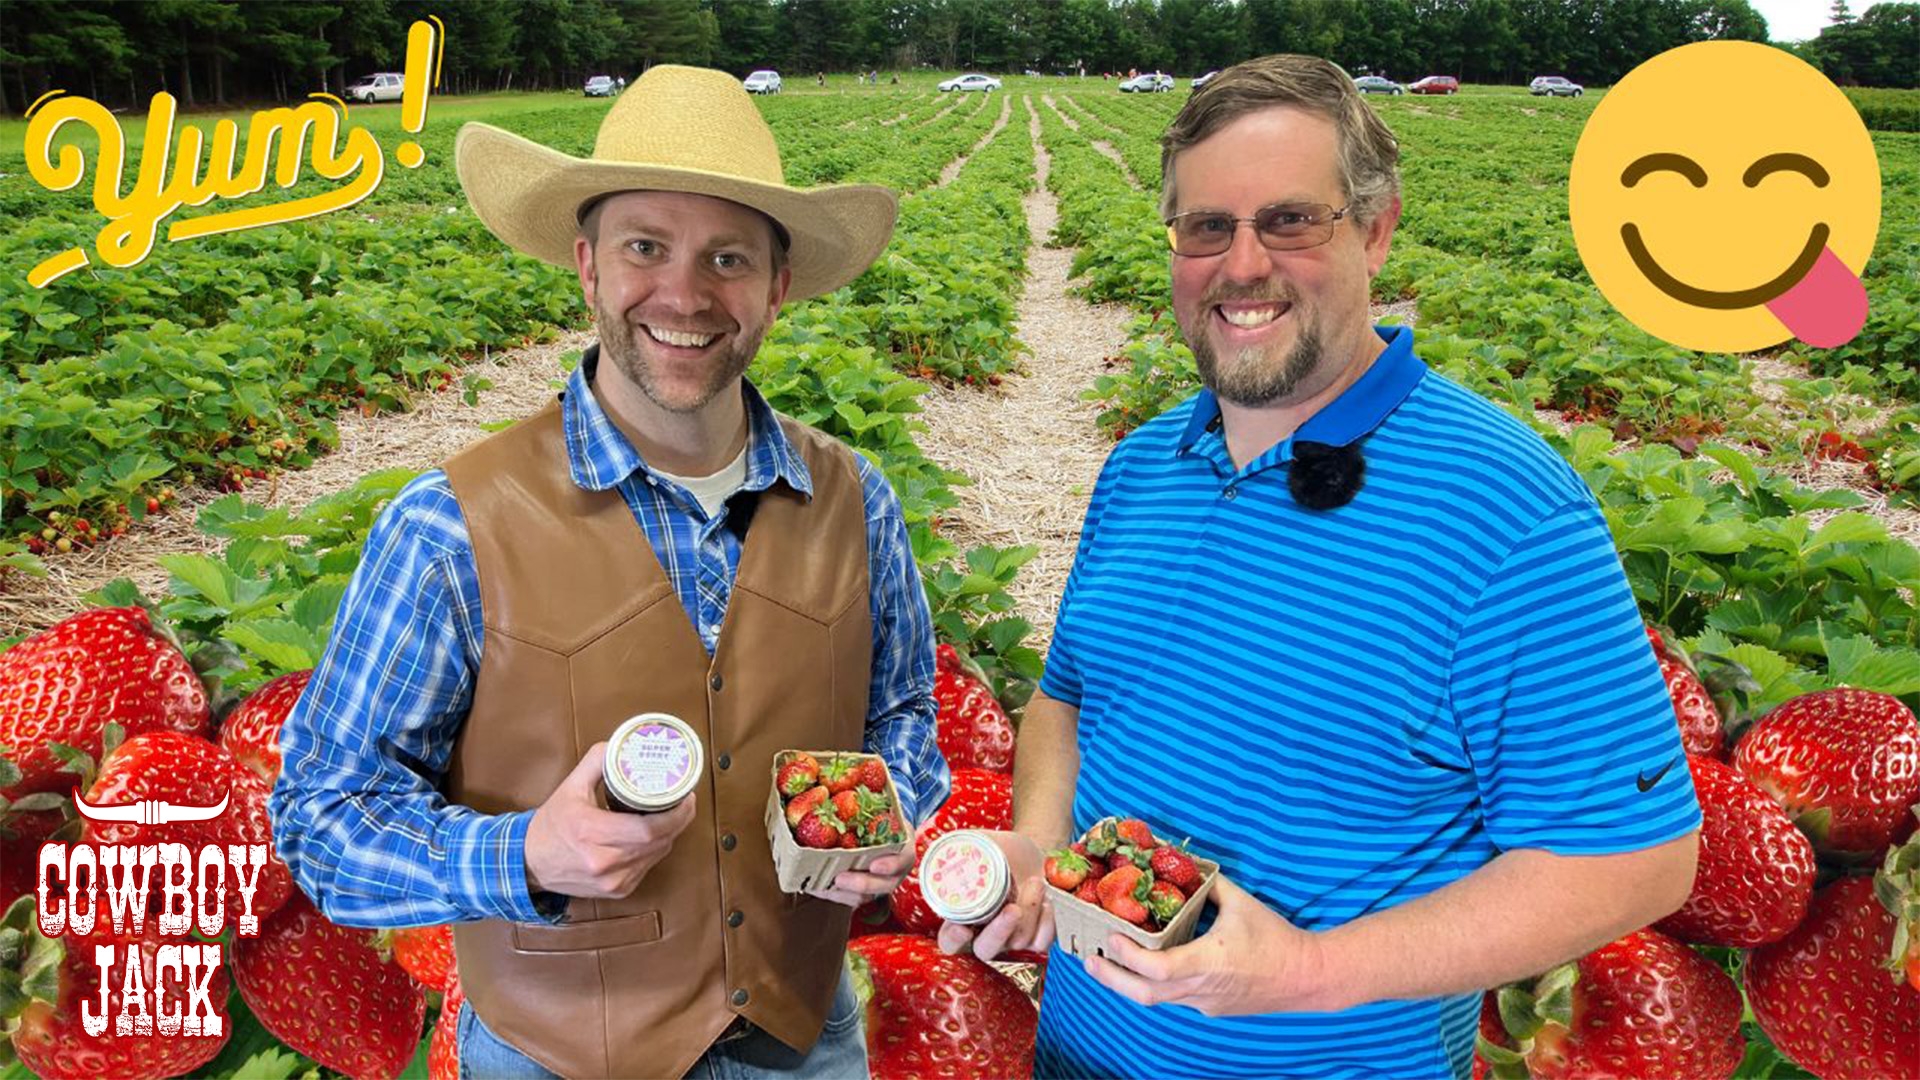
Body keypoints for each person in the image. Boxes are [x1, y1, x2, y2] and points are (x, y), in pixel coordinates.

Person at [941, 54, 1701, 1078]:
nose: (1242, 265)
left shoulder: (1507, 510)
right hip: (1075, 1052)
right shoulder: (1142, 466)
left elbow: (1636, 861)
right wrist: (1036, 845)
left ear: (1376, 227)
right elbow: (1070, 704)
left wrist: (1308, 968)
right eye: (1206, 227)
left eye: (1291, 221)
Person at [270, 64, 949, 1080]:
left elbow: (903, 713)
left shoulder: (856, 499)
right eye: (645, 247)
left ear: (778, 287)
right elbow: (322, 816)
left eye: (727, 257)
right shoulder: (451, 525)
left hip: (803, 1036)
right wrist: (525, 855)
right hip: (552, 1053)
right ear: (587, 265)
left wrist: (881, 805)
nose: (684, 293)